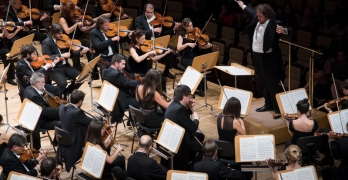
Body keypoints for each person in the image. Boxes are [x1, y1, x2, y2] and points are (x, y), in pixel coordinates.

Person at [236, 1, 289, 119]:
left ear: (267, 15)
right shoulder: (257, 17)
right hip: (256, 55)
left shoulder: (274, 23)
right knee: (262, 81)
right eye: (257, 15)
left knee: (271, 83)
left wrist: (284, 31)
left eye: (260, 16)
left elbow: (286, 30)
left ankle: (277, 108)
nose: (258, 17)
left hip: (267, 57)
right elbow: (250, 11)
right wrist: (242, 5)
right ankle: (268, 104)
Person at [134, 3, 180, 78]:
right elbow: (139, 33)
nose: (150, 14)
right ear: (144, 11)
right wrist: (153, 30)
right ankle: (148, 74)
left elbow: (163, 33)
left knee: (171, 50)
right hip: (145, 43)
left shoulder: (157, 19)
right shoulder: (139, 19)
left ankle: (166, 71)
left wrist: (173, 29)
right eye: (148, 12)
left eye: (151, 12)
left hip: (157, 42)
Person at [283, 98, 334, 166]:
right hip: (311, 147)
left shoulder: (292, 122)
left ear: (298, 110)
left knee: (288, 143)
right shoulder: (314, 122)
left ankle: (292, 164)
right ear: (307, 110)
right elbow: (316, 134)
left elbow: (292, 136)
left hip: (298, 148)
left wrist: (287, 121)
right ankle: (328, 159)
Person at [164, 85, 203, 170]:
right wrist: (196, 119)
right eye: (189, 96)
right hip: (180, 140)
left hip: (174, 133)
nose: (190, 98)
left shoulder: (174, 103)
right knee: (203, 149)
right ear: (184, 97)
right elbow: (192, 128)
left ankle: (189, 159)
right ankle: (193, 167)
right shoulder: (179, 109)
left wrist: (189, 108)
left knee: (201, 136)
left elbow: (183, 118)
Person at [41, 23, 84, 99]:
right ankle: (57, 99)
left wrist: (80, 52)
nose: (61, 35)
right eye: (59, 34)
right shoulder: (46, 42)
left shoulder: (63, 39)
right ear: (53, 33)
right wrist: (61, 55)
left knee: (81, 78)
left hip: (65, 66)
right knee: (62, 83)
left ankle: (67, 91)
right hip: (55, 68)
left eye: (61, 33)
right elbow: (47, 57)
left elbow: (70, 53)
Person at [23, 72, 61, 150]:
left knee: (60, 118)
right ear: (36, 83)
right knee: (63, 123)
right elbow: (45, 112)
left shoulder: (28, 88)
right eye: (43, 82)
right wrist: (60, 109)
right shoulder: (34, 96)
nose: (44, 84)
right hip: (38, 122)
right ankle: (60, 146)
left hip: (35, 117)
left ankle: (56, 141)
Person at [59, 1, 103, 70]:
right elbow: (67, 31)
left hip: (77, 38)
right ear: (68, 11)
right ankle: (77, 69)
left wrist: (92, 26)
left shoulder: (74, 17)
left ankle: (92, 69)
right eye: (72, 10)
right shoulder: (62, 19)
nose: (74, 12)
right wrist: (76, 24)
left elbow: (82, 29)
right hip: (68, 41)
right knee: (76, 50)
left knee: (90, 46)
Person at [58, 89, 94, 172]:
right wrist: (100, 118)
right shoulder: (77, 113)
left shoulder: (61, 107)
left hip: (64, 142)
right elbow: (90, 121)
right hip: (75, 143)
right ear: (80, 101)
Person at [176, 18, 212, 97]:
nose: (191, 28)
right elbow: (178, 48)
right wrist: (187, 44)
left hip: (195, 57)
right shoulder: (181, 36)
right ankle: (195, 89)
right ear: (185, 27)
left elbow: (201, 47)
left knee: (202, 66)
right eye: (188, 26)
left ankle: (201, 88)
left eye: (191, 25)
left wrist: (208, 46)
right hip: (186, 58)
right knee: (195, 67)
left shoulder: (195, 35)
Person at [102, 54, 140, 124]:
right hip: (119, 101)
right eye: (122, 64)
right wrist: (140, 81)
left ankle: (131, 121)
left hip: (109, 100)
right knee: (141, 102)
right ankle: (135, 122)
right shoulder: (117, 75)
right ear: (116, 63)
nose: (124, 66)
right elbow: (128, 83)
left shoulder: (105, 71)